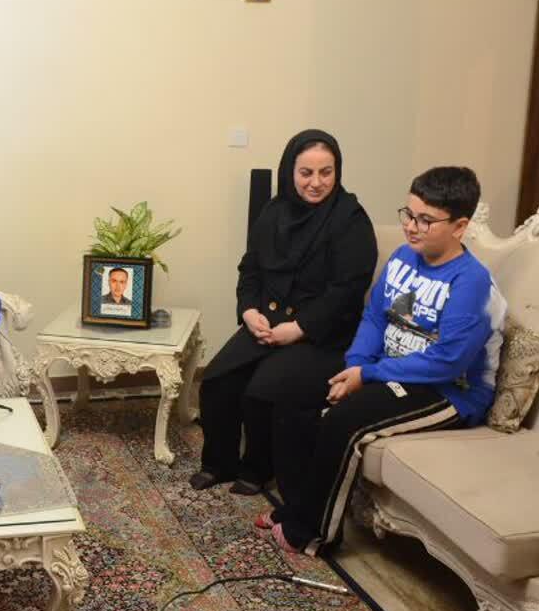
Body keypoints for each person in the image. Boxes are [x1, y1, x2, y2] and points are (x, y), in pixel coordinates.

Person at [264, 166, 506, 555]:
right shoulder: (404, 257)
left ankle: (311, 534)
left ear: (460, 227)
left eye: (425, 220)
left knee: (343, 421)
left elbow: (447, 361)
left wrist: (368, 374)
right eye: (409, 214)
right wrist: (356, 364)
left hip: (448, 392)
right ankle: (296, 508)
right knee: (292, 397)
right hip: (388, 370)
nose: (411, 226)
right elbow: (376, 317)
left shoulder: (471, 282)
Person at [189, 129, 377, 498]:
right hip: (267, 323)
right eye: (306, 173)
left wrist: (300, 328)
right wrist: (248, 310)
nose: (316, 182)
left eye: (326, 172)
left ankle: (258, 470)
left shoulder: (351, 220)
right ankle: (219, 463)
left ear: (338, 172)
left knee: (263, 389)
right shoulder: (274, 211)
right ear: (290, 171)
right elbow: (251, 269)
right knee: (218, 378)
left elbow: (346, 291)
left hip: (323, 334)